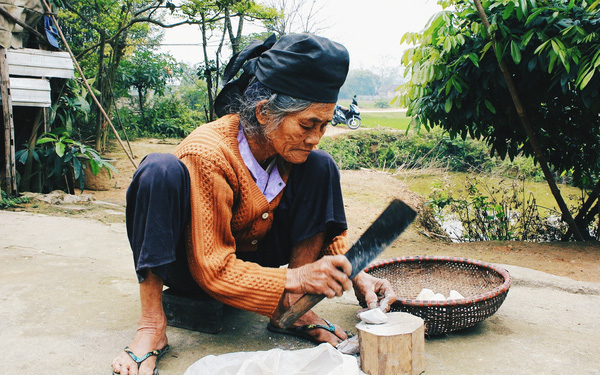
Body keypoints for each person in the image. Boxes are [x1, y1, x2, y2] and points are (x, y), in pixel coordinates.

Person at [111, 33, 397, 375]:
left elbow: (327, 227)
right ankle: (151, 326)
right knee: (159, 170)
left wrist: (356, 270)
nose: (315, 137)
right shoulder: (209, 153)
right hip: (193, 264)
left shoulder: (294, 152)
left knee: (321, 164)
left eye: (324, 125)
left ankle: (292, 309)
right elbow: (212, 270)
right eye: (308, 124)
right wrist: (300, 276)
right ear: (264, 113)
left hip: (254, 254)